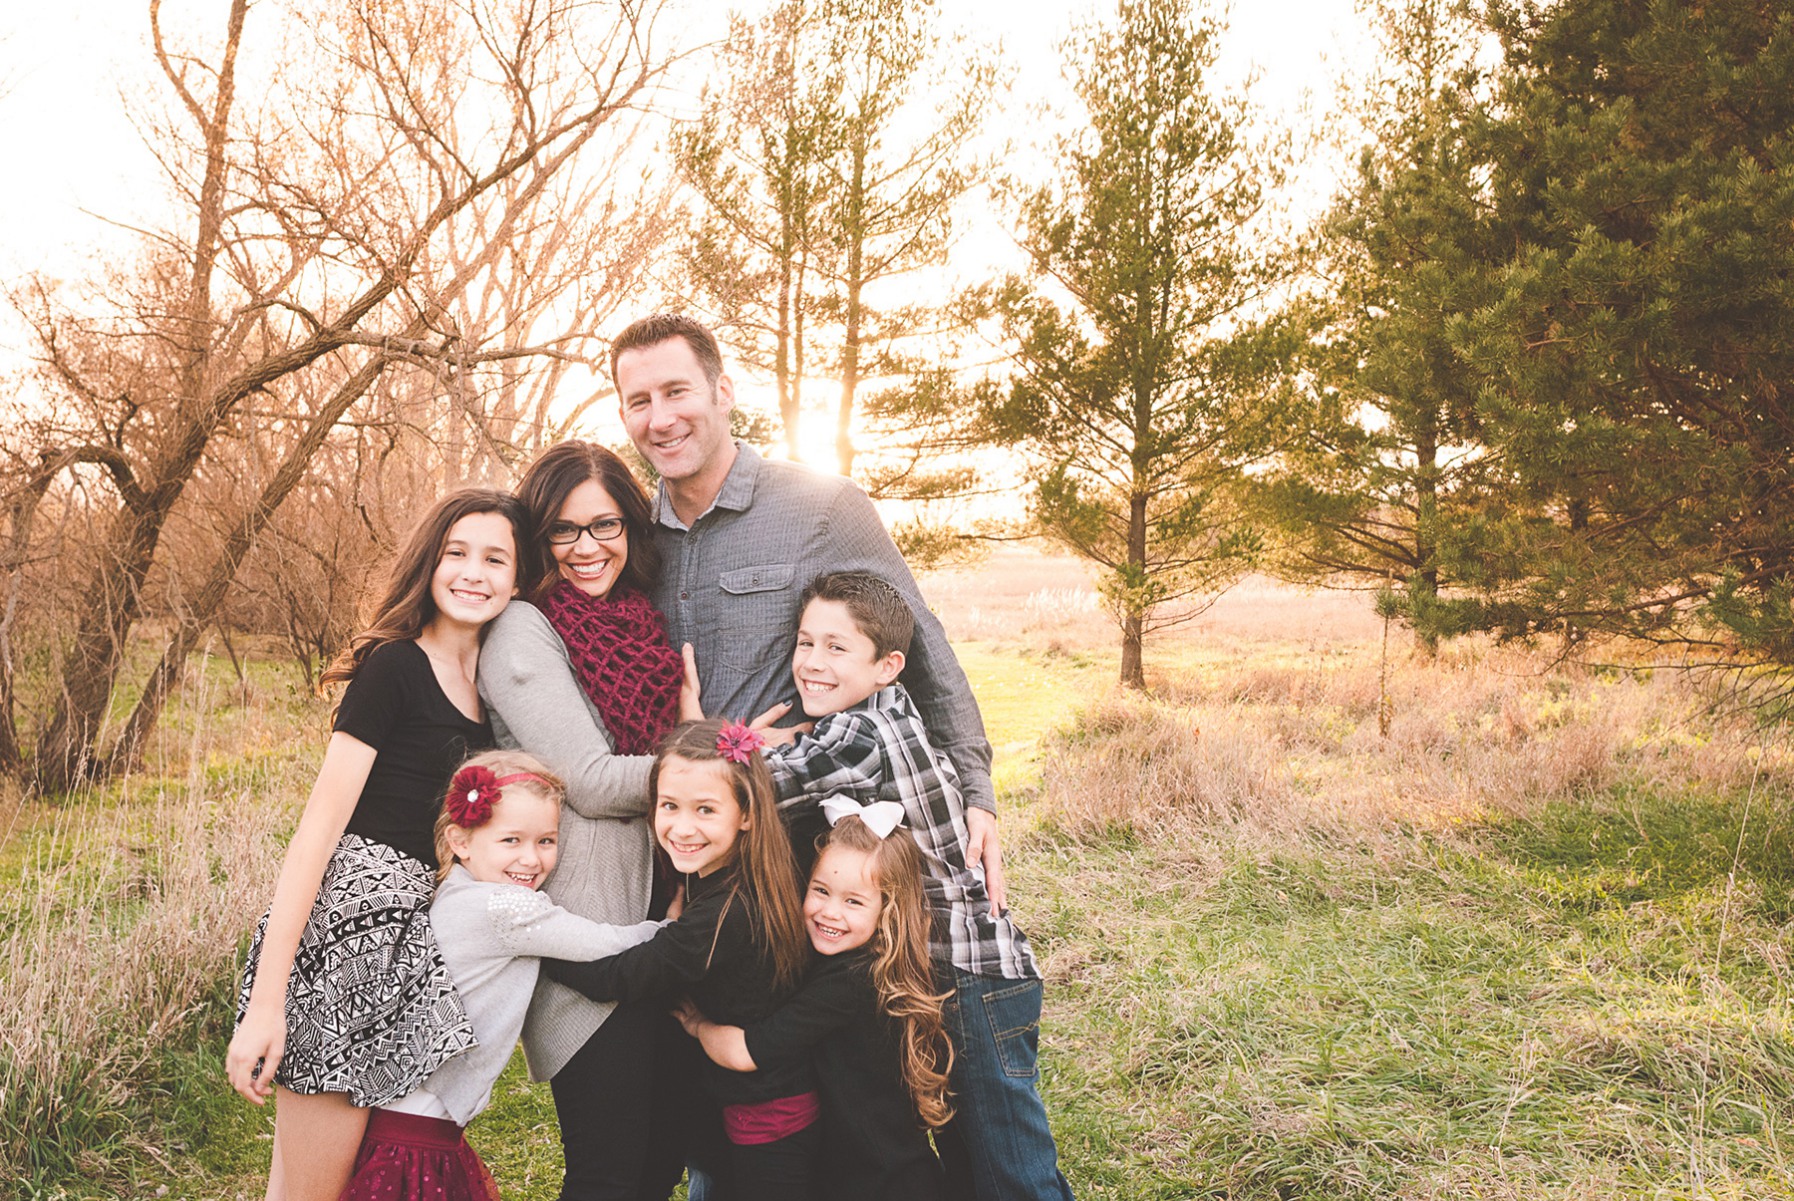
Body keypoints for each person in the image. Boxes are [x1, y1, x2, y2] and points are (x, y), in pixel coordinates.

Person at [607, 313, 1007, 913]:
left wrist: (977, 793)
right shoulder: (630, 536)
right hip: (677, 844)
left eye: (676, 391)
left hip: (803, 843)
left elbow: (920, 643)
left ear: (723, 392)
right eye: (639, 401)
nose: (659, 419)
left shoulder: (822, 505)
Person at [226, 488, 527, 1201]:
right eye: (456, 552)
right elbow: (316, 834)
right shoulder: (395, 667)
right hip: (344, 946)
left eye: (495, 558)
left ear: (518, 580)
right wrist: (269, 1003)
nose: (472, 572)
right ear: (429, 561)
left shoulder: (490, 694)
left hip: (404, 949)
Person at [760, 572, 1074, 1201]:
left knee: (1010, 1169)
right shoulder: (890, 709)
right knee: (973, 1163)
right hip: (965, 973)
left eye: (836, 648)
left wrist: (721, 734)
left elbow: (748, 787)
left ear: (888, 665)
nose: (812, 664)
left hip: (969, 979)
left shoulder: (859, 735)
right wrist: (793, 735)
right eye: (804, 642)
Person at [474, 440, 695, 1201]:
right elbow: (596, 783)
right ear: (541, 538)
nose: (585, 547)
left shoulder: (639, 625)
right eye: (563, 530)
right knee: (610, 1173)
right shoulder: (523, 631)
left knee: (663, 1153)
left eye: (604, 524)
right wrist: (714, 765)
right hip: (585, 932)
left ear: (631, 526)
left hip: (651, 921)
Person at [337, 750, 664, 1201]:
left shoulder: (455, 891)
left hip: (405, 1119)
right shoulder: (504, 907)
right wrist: (675, 929)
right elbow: (600, 942)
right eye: (511, 840)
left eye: (546, 841)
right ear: (461, 840)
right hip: (418, 1132)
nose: (531, 859)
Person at [543, 720, 815, 1201]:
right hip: (743, 1096)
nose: (682, 827)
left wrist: (540, 947)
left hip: (766, 1116)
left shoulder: (725, 914)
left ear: (747, 814)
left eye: (705, 810)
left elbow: (623, 977)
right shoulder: (740, 875)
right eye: (669, 806)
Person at [675, 812, 953, 1200]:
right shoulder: (864, 963)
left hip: (880, 1183)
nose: (830, 911)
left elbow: (745, 1052)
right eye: (820, 890)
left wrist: (698, 1025)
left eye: (853, 901)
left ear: (888, 911)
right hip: (884, 1168)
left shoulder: (851, 983)